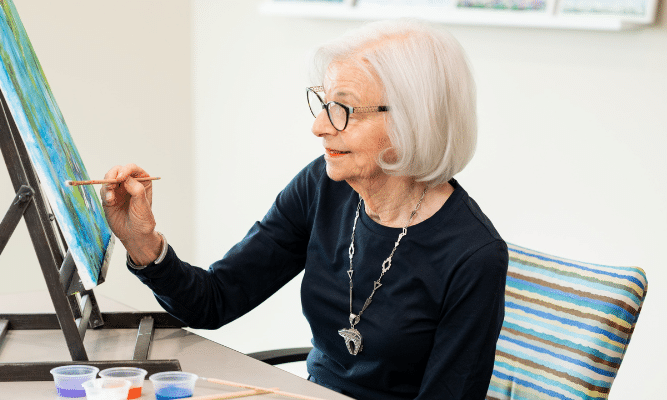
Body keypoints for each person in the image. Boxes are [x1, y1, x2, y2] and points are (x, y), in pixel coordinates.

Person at [101, 19, 508, 400]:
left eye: (343, 110)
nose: (319, 126)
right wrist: (143, 243)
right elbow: (214, 300)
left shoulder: (474, 255)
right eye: (323, 103)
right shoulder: (324, 186)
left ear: (414, 122)